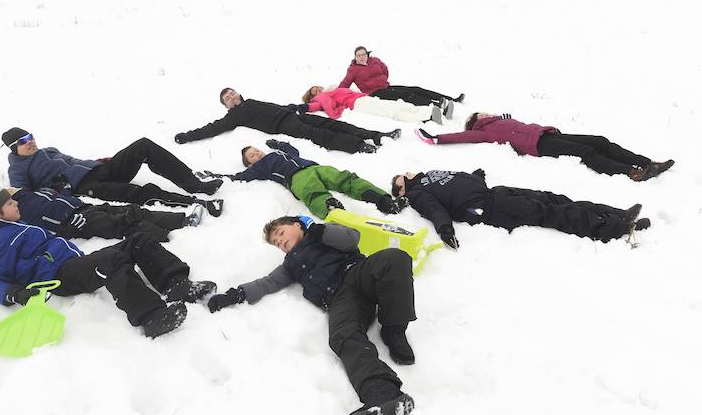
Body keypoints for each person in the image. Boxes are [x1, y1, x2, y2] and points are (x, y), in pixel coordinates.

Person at [207, 215, 416, 415]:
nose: (280, 242)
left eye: (280, 233)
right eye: (277, 243)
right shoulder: (290, 266)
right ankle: (383, 395)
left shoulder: (322, 234)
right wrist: (236, 294)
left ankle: (393, 330)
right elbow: (267, 283)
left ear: (297, 225)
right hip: (340, 299)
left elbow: (353, 238)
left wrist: (320, 231)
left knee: (395, 259)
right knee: (343, 335)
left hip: (356, 273)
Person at [0, 184, 216, 338]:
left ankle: (178, 286)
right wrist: (16, 294)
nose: (16, 201)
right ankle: (151, 316)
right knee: (112, 260)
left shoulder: (12, 226)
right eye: (9, 202)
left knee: (139, 240)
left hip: (70, 264)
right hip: (57, 276)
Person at [390, 169, 651, 249]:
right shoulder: (416, 193)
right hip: (489, 208)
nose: (405, 174)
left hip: (495, 192)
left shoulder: (427, 175)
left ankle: (617, 214)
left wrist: (475, 177)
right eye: (401, 180)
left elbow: (456, 183)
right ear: (401, 189)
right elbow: (435, 209)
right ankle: (617, 229)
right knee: (549, 213)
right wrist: (445, 229)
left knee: (555, 198)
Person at [1, 128, 224, 216]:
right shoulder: (18, 169)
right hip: (84, 188)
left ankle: (195, 184)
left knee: (143, 145)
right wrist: (57, 189)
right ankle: (193, 202)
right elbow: (26, 198)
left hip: (99, 170)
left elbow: (72, 161)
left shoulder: (48, 150)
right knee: (136, 192)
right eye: (23, 141)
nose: (30, 142)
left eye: (30, 137)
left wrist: (97, 162)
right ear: (14, 148)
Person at [416, 113, 675, 181]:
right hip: (538, 144)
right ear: (476, 121)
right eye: (481, 113)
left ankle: (646, 162)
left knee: (599, 141)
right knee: (587, 152)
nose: (486, 112)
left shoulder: (501, 120)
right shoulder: (482, 132)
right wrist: (437, 138)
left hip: (547, 134)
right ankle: (630, 173)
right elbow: (463, 138)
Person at [200, 139, 405, 218]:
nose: (257, 154)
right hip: (296, 178)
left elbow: (293, 150)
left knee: (346, 179)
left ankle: (384, 201)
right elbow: (240, 177)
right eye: (252, 155)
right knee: (313, 193)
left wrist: (279, 144)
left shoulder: (277, 153)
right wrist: (217, 176)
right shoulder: (261, 167)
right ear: (251, 163)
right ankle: (333, 212)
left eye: (256, 150)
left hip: (314, 167)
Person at [175, 88, 400, 155]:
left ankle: (376, 135)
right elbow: (212, 128)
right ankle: (360, 146)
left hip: (291, 115)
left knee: (334, 124)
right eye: (227, 98)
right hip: (285, 126)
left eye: (232, 93)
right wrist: (187, 136)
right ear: (226, 106)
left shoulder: (251, 100)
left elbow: (274, 107)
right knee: (319, 136)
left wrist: (294, 107)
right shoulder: (234, 116)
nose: (232, 97)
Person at [10, 187, 205, 242]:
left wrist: (66, 190)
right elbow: (42, 230)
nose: (9, 190)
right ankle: (166, 237)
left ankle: (183, 220)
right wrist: (68, 229)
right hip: (79, 221)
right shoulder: (22, 210)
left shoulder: (33, 192)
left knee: (133, 210)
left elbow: (58, 200)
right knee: (123, 223)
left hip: (86, 207)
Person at [339, 46, 462, 118]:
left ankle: (449, 99)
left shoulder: (374, 60)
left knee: (415, 89)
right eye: (358, 55)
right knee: (406, 95)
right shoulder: (353, 70)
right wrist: (334, 95)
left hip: (386, 87)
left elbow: (385, 69)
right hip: (375, 92)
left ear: (367, 54)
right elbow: (344, 85)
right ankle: (437, 106)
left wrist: (383, 80)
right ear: (355, 57)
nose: (361, 57)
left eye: (363, 54)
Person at [302, 85, 443, 125]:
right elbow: (317, 105)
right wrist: (304, 107)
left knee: (392, 107)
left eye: (317, 87)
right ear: (313, 96)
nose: (318, 90)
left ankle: (427, 115)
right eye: (314, 92)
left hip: (362, 99)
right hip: (357, 104)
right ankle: (427, 115)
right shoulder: (321, 97)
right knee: (391, 110)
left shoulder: (331, 89)